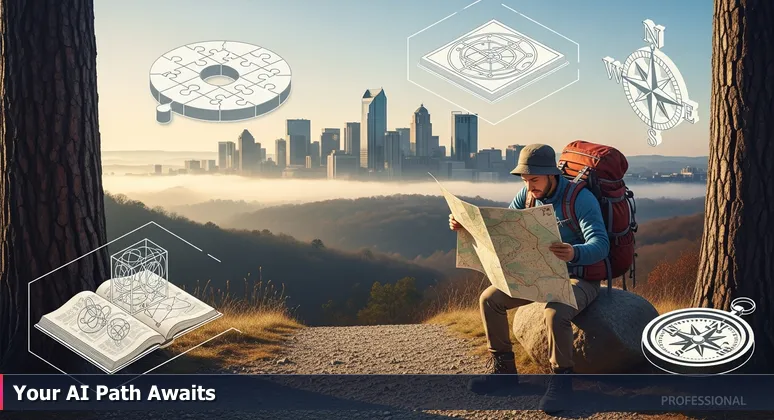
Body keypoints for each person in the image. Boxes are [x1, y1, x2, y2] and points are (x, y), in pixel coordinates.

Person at [449, 143, 609, 413]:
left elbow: (601, 245)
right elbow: (504, 231)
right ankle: (505, 372)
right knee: (489, 299)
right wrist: (465, 226)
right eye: (525, 179)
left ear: (552, 175)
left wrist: (574, 252)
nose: (529, 185)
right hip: (539, 273)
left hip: (579, 278)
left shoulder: (580, 199)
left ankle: (562, 382)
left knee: (555, 313)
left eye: (533, 179)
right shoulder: (527, 195)